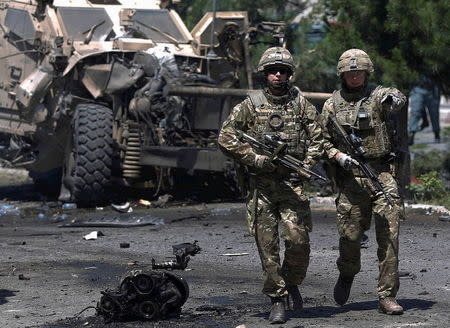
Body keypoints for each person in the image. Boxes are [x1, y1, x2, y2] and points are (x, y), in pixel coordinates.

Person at [218, 47, 325, 324]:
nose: (278, 75)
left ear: (289, 74)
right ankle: (277, 298)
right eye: (273, 71)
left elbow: (318, 138)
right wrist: (255, 159)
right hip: (262, 188)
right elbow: (226, 137)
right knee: (268, 247)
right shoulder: (250, 105)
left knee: (298, 242)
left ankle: (291, 283)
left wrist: (307, 164)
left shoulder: (301, 105)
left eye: (283, 71)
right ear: (265, 74)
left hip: (292, 185)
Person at [320, 49, 406, 315]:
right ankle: (347, 273)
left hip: (381, 175)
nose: (355, 76)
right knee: (350, 238)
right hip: (351, 179)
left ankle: (386, 296)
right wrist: (338, 155)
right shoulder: (331, 105)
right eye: (349, 72)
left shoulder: (378, 97)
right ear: (342, 74)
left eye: (359, 71)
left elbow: (395, 97)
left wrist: (393, 99)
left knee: (389, 237)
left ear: (367, 72)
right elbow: (320, 142)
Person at [408, 75, 441, 145]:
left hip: (433, 86)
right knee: (416, 111)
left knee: (434, 113)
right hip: (417, 86)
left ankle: (436, 133)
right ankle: (411, 134)